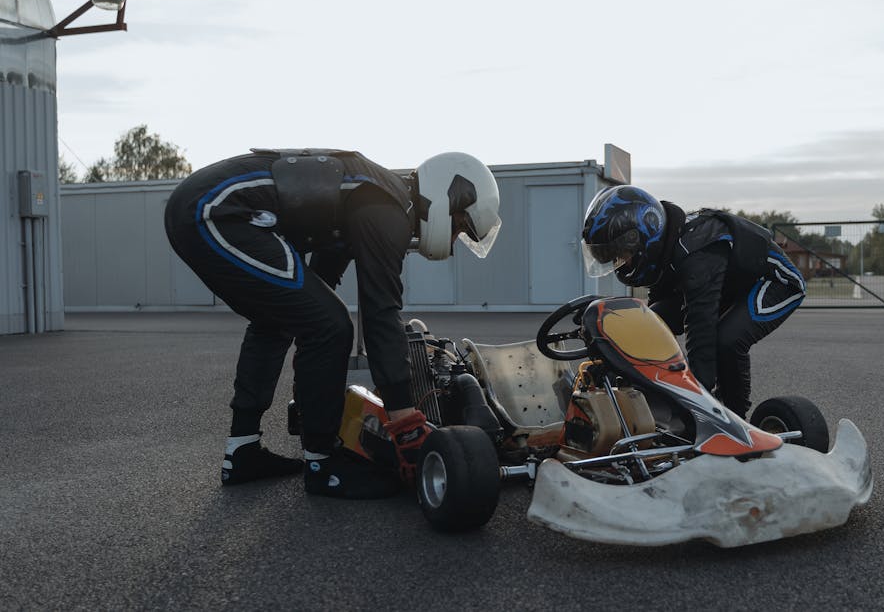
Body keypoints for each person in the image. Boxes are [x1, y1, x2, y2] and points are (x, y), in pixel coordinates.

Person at [164, 149, 500, 498]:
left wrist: (313, 389)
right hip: (216, 210)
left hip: (204, 207)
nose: (453, 240)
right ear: (449, 197)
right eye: (460, 227)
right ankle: (322, 466)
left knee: (281, 319)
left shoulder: (369, 197)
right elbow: (380, 312)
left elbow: (318, 287)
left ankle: (243, 451)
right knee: (331, 325)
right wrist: (405, 421)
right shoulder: (387, 209)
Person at [580, 185, 805, 419]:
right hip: (728, 285)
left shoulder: (696, 251)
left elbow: (701, 329)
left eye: (621, 253)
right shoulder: (665, 246)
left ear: (642, 236)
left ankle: (735, 419)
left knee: (726, 340)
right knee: (652, 321)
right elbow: (654, 319)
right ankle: (646, 395)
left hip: (774, 282)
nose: (621, 262)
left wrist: (699, 402)